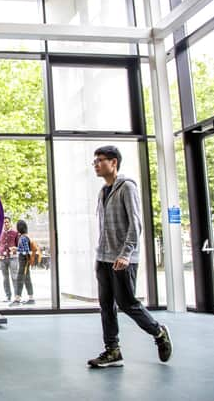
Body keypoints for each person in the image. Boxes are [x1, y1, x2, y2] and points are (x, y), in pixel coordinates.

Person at [88, 145, 172, 368]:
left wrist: (126, 254)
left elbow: (135, 224)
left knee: (127, 303)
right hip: (104, 257)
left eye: (100, 160)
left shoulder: (127, 187)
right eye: (94, 161)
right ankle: (112, 350)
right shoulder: (102, 191)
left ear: (113, 162)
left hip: (123, 259)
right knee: (106, 305)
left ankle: (159, 332)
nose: (96, 164)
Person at [0, 217, 19, 302]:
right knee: (5, 278)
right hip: (2, 258)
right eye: (4, 222)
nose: (6, 224)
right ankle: (8, 296)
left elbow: (19, 245)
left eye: (7, 222)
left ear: (10, 223)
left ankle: (17, 296)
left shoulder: (15, 233)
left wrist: (16, 248)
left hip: (13, 258)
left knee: (14, 277)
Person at [11, 220, 35, 306]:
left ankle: (17, 299)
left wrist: (16, 249)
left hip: (24, 262)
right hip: (25, 262)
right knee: (27, 279)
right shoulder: (25, 236)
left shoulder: (23, 238)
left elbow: (26, 251)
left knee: (19, 279)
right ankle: (31, 298)